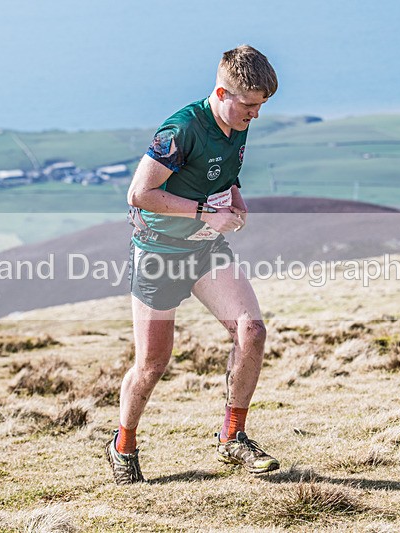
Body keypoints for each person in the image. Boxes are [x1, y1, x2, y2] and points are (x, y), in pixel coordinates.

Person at [104, 45, 280, 485]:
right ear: (223, 92)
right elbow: (139, 195)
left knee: (252, 331)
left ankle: (232, 438)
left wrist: (236, 199)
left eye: (261, 106)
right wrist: (206, 211)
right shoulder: (181, 129)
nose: (255, 116)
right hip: (158, 256)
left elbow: (224, 169)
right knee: (152, 365)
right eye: (250, 106)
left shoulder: (237, 119)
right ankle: (122, 444)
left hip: (204, 250)